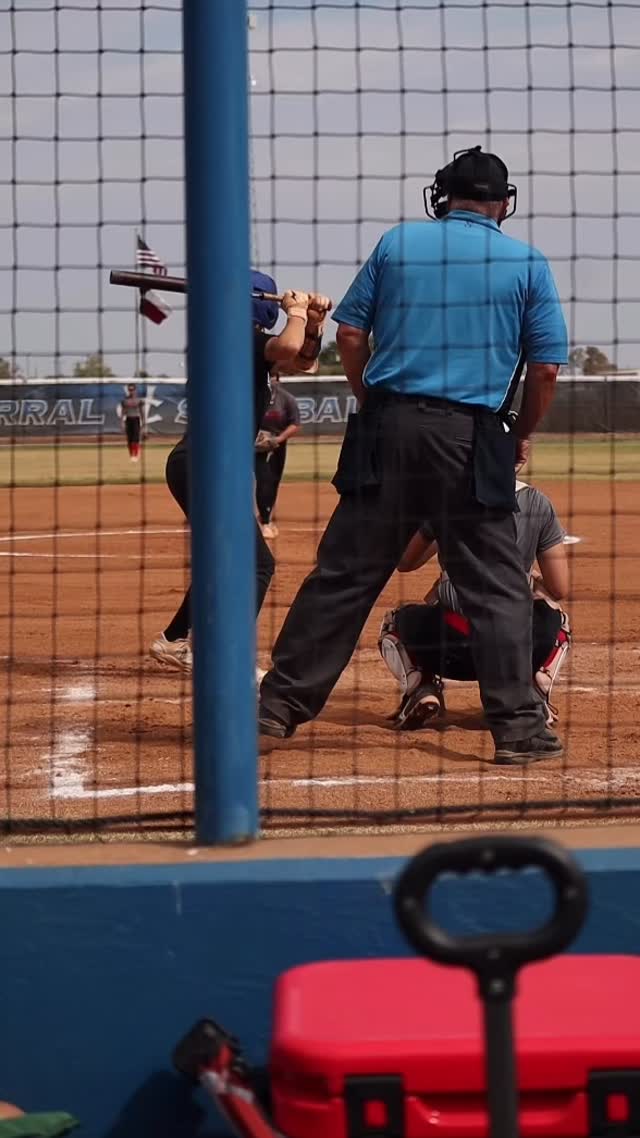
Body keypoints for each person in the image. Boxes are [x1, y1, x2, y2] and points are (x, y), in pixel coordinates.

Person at [259, 145, 569, 765]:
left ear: (442, 196)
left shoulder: (398, 244)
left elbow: (349, 333)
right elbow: (546, 371)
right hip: (472, 437)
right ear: (504, 204)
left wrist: (370, 399)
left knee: (344, 578)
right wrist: (517, 434)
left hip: (389, 429)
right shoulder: (528, 262)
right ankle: (518, 731)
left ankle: (273, 712)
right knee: (497, 587)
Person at [150, 272, 331, 675]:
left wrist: (313, 325)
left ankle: (174, 639)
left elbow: (304, 361)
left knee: (225, 559)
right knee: (257, 564)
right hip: (206, 465)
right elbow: (288, 344)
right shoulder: (239, 339)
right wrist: (297, 312)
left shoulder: (230, 341)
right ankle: (225, 656)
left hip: (203, 464)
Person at [379, 477, 572, 740]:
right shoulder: (538, 504)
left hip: (450, 651)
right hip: (514, 650)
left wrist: (443, 532)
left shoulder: (445, 499)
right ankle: (533, 694)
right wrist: (530, 579)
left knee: (394, 624)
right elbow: (559, 588)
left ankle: (420, 688)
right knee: (558, 622)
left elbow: (405, 562)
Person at [255, 372, 301, 540]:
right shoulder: (254, 397)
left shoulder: (286, 399)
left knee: (273, 482)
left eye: (274, 377)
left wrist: (278, 439)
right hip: (254, 448)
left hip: (276, 446)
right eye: (269, 377)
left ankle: (265, 515)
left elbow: (295, 424)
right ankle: (265, 522)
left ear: (278, 379)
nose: (271, 380)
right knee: (264, 480)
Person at [120, 383, 145, 462]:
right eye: (129, 390)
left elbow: (142, 412)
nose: (131, 391)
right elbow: (123, 412)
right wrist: (122, 422)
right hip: (128, 419)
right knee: (129, 438)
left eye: (132, 390)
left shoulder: (139, 400)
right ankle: (131, 455)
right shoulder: (125, 400)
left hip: (136, 419)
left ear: (135, 390)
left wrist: (144, 421)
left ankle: (136, 454)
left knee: (135, 437)